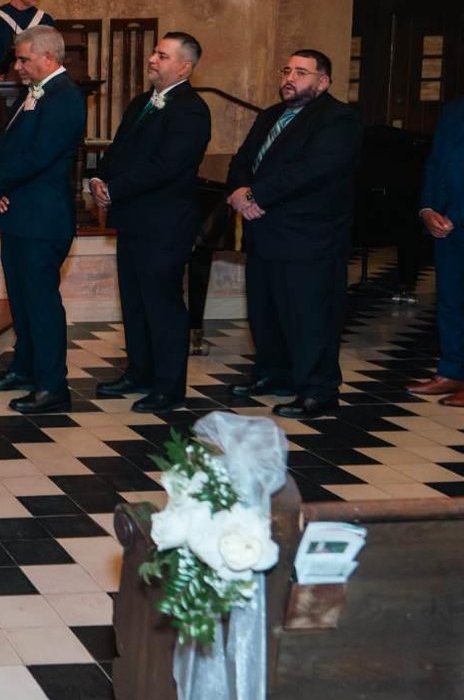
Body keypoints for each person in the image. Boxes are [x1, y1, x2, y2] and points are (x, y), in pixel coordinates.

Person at [226, 49, 361, 419]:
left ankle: (318, 390)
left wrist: (256, 195)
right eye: (286, 70)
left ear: (323, 81)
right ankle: (275, 374)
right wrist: (239, 191)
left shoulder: (338, 119)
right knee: (266, 311)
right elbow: (242, 160)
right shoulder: (271, 115)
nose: (289, 78)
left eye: (301, 72)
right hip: (264, 231)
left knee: (309, 317)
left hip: (309, 238)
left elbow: (312, 170)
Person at [89, 33, 212, 413]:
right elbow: (118, 149)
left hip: (165, 224)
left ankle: (168, 388)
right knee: (135, 302)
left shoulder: (192, 110)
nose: (152, 59)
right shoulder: (142, 102)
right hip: (132, 220)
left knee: (163, 305)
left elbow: (167, 166)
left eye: (162, 55)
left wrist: (115, 189)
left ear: (184, 67)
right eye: (155, 53)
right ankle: (139, 372)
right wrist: (99, 178)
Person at [0, 26, 87, 414]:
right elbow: (8, 148)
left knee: (41, 305)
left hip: (43, 220)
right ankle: (24, 369)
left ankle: (53, 387)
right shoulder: (35, 93)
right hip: (19, 215)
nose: (17, 67)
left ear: (48, 57)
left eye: (24, 59)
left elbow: (39, 156)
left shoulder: (65, 97)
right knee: (22, 301)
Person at [408, 97, 464, 403]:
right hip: (445, 224)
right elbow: (435, 162)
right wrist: (427, 208)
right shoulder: (455, 109)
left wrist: (456, 215)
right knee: (451, 301)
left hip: (455, 218)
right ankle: (451, 372)